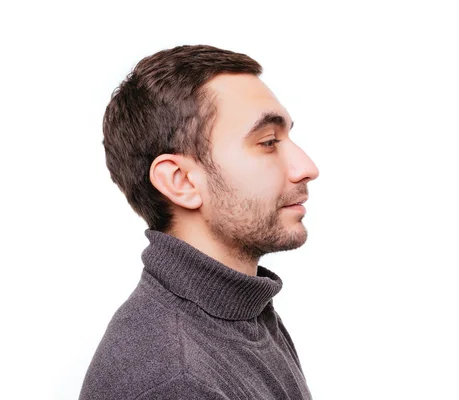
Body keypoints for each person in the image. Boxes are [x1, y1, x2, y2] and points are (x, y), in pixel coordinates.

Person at [79, 45, 319, 400]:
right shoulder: (177, 379)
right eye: (268, 142)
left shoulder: (243, 311)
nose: (307, 167)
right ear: (181, 181)